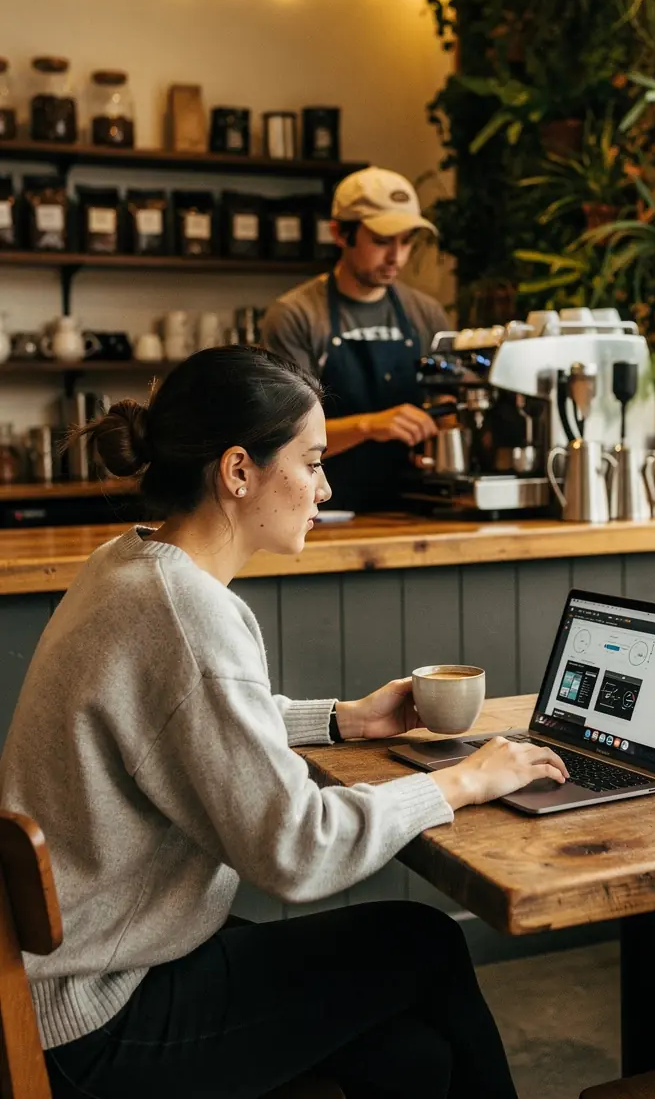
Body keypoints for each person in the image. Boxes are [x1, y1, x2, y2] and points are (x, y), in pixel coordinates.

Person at [0, 346, 569, 1099]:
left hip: (72, 974)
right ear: (238, 471)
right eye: (311, 461)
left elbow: (184, 721)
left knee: (414, 1058)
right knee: (425, 942)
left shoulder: (131, 563)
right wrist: (464, 782)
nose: (324, 486)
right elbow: (297, 851)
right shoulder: (189, 615)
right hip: (102, 1014)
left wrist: (341, 721)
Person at [262, 166, 451, 512]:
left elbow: (448, 408)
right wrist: (369, 425)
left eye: (406, 241)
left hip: (416, 509)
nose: (397, 257)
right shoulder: (296, 315)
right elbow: (286, 437)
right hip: (322, 509)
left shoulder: (427, 314)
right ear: (340, 234)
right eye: (381, 241)